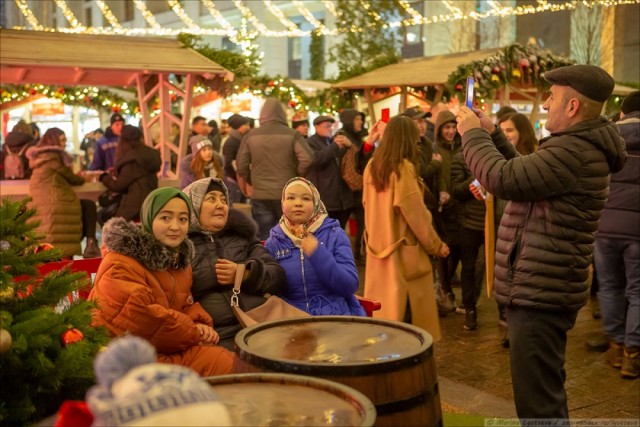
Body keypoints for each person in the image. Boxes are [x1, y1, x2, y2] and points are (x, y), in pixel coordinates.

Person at [456, 64, 627, 419]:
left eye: (551, 97)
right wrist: (493, 134)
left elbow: (501, 178)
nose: (546, 105)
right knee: (543, 388)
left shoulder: (574, 151)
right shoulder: (575, 148)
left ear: (573, 107)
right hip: (543, 287)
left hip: (540, 292)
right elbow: (525, 174)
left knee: (538, 403)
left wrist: (471, 134)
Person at [89, 187, 235, 377]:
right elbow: (142, 318)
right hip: (121, 356)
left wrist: (200, 323)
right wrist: (193, 331)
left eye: (182, 219)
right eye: (165, 218)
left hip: (160, 347)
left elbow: (184, 304)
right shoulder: (120, 260)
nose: (175, 226)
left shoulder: (178, 262)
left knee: (231, 364)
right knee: (226, 367)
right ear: (149, 219)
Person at [362, 116, 450, 341]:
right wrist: (436, 245)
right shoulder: (402, 169)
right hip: (403, 253)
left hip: (377, 250)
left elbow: (366, 205)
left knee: (385, 316)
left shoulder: (372, 166)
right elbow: (416, 216)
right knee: (408, 325)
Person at [183, 178, 286, 350]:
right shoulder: (181, 247)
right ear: (193, 205)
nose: (220, 205)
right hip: (216, 335)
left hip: (259, 322)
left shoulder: (242, 237)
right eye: (211, 199)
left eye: (224, 200)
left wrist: (245, 274)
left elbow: (277, 276)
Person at [265, 177, 365, 316]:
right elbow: (271, 291)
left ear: (316, 203)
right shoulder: (274, 242)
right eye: (291, 198)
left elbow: (349, 286)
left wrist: (318, 254)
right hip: (291, 320)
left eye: (306, 198)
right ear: (282, 203)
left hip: (334, 316)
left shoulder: (335, 234)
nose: (298, 203)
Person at [595, 90, 640, 379]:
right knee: (637, 291)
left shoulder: (606, 136)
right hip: (637, 231)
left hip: (604, 225)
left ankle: (615, 343)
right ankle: (632, 354)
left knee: (609, 286)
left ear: (622, 112)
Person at [237, 99, 314, 240]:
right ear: (282, 114)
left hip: (260, 193)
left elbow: (241, 165)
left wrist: (252, 180)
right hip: (287, 193)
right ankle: (287, 261)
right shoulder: (292, 134)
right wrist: (296, 177)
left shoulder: (251, 135)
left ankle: (268, 261)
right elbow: (307, 159)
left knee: (266, 235)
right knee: (289, 234)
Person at [27, 128, 99, 258]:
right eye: (62, 140)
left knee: (87, 205)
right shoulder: (53, 158)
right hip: (55, 208)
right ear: (53, 140)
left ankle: (91, 244)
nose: (65, 143)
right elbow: (74, 179)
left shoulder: (41, 158)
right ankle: (91, 244)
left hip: (41, 208)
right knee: (89, 206)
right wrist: (84, 178)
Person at [99, 125, 161, 224]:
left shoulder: (132, 159)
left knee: (103, 216)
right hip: (150, 204)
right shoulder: (148, 155)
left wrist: (104, 177)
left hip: (135, 207)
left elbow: (118, 186)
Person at [433, 110, 463, 311]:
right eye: (447, 128)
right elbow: (437, 177)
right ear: (440, 129)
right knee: (445, 250)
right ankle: (446, 291)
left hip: (462, 204)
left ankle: (448, 286)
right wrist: (442, 192)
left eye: (453, 127)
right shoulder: (435, 149)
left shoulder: (462, 147)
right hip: (443, 207)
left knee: (459, 249)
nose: (451, 131)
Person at [305, 115, 354, 228]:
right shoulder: (310, 142)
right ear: (316, 127)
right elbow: (317, 159)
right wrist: (335, 146)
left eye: (331, 126)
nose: (330, 128)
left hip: (340, 199)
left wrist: (347, 146)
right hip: (325, 199)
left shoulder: (330, 141)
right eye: (327, 126)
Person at [222, 113, 252, 204]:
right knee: (236, 205)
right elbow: (227, 163)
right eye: (245, 125)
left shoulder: (241, 139)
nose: (248, 127)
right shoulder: (231, 142)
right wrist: (236, 178)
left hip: (240, 179)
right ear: (238, 126)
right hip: (234, 182)